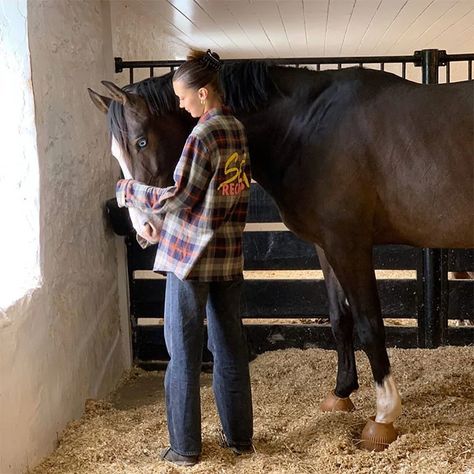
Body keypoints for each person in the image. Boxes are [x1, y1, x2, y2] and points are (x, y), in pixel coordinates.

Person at [115, 49, 253, 467]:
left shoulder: (203, 135)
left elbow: (178, 197)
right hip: (227, 258)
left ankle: (185, 449)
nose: (179, 105)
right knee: (230, 350)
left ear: (204, 93)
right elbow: (228, 194)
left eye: (182, 97)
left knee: (183, 355)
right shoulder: (236, 130)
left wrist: (127, 190)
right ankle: (240, 440)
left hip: (189, 262)